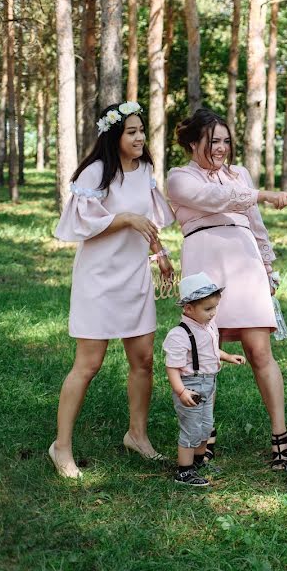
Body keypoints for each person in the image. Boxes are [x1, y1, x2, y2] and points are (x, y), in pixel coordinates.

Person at [166, 108, 287, 469]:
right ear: (193, 143)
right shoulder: (178, 178)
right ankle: (202, 436)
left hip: (244, 264)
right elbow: (213, 199)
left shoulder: (239, 175)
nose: (221, 148)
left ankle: (280, 437)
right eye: (213, 142)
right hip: (205, 265)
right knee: (204, 357)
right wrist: (262, 195)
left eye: (225, 141)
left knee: (260, 352)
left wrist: (267, 267)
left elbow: (255, 224)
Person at [49, 102, 175, 478]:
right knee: (88, 365)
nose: (139, 138)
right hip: (99, 280)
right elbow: (83, 224)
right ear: (114, 136)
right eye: (131, 132)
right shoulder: (96, 173)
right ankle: (61, 447)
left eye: (141, 131)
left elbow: (148, 221)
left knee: (144, 361)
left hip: (134, 276)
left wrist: (160, 253)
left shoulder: (146, 171)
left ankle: (137, 435)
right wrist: (122, 218)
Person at [163, 272, 247, 487]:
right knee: (191, 428)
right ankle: (184, 472)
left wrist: (227, 356)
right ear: (188, 309)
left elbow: (210, 350)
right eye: (208, 309)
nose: (213, 313)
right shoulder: (179, 335)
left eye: (215, 308)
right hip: (191, 385)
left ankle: (199, 461)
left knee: (206, 426)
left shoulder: (209, 327)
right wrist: (181, 391)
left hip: (209, 382)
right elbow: (172, 368)